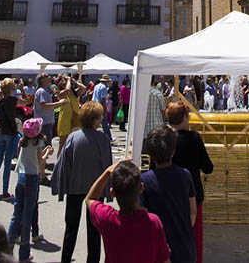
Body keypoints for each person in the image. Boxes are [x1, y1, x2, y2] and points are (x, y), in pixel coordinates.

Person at [52, 101, 113, 263]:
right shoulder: (103, 139)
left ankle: (65, 259)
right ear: (94, 119)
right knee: (94, 231)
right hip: (95, 190)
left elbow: (64, 165)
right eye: (99, 117)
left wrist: (60, 187)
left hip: (74, 187)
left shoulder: (73, 137)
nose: (101, 120)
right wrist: (107, 190)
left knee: (70, 228)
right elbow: (108, 166)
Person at [86, 160, 171, 263]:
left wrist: (107, 172)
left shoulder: (107, 218)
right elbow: (164, 259)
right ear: (141, 188)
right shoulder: (153, 222)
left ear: (112, 193)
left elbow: (90, 199)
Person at [141, 125, 197, 263]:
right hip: (185, 248)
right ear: (173, 151)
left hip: (157, 249)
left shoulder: (144, 181)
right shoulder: (185, 175)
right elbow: (192, 211)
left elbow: (142, 217)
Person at [166, 101, 213, 263]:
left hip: (169, 195)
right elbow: (208, 167)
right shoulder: (194, 138)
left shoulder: (165, 138)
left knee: (170, 239)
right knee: (194, 241)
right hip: (192, 196)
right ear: (185, 118)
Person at [8, 117, 53, 262]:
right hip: (32, 179)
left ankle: (7, 249)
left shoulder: (23, 142)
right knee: (27, 216)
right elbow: (40, 161)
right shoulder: (38, 142)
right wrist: (47, 153)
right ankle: (24, 254)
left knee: (17, 214)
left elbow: (26, 157)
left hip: (21, 177)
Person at [0, 77, 19, 199]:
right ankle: (5, 191)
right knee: (7, 163)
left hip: (0, 132)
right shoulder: (12, 100)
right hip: (9, 132)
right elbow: (26, 101)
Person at [34, 73, 66, 182]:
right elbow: (44, 105)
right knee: (44, 147)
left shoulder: (45, 90)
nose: (49, 78)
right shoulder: (42, 91)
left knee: (45, 147)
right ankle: (41, 173)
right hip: (44, 122)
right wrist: (59, 103)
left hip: (46, 121)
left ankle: (41, 169)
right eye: (47, 77)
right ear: (42, 80)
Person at [57, 76, 87, 156]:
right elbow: (66, 90)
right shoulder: (61, 93)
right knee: (62, 143)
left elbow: (84, 88)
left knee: (74, 142)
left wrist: (75, 82)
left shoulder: (74, 94)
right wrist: (69, 80)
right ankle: (59, 162)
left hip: (75, 119)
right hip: (64, 120)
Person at [144, 78, 167, 151]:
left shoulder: (140, 94)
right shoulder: (158, 94)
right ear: (153, 81)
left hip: (144, 130)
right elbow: (163, 111)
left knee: (144, 157)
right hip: (157, 129)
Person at [93, 75, 112, 141]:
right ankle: (108, 137)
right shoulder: (104, 87)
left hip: (94, 105)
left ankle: (93, 136)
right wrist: (105, 109)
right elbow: (103, 100)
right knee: (104, 123)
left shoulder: (96, 86)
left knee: (94, 122)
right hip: (100, 106)